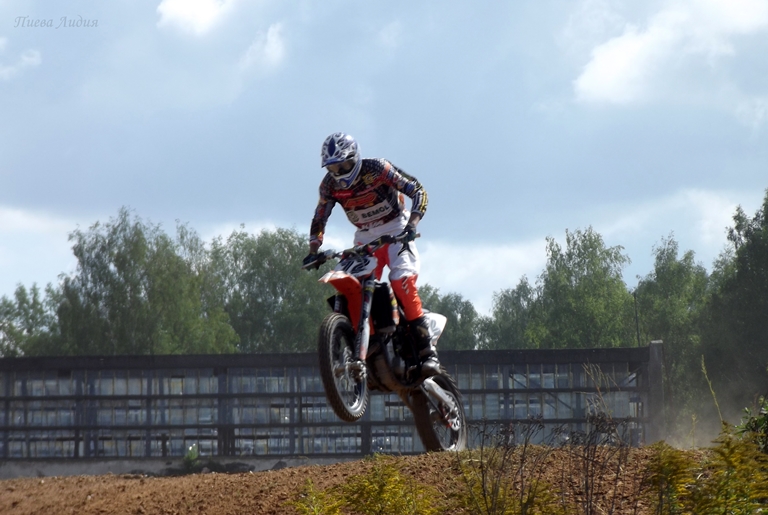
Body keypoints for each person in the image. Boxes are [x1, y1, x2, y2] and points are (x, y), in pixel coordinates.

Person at [303, 132, 440, 377]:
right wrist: (314, 249)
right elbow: (320, 214)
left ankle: (427, 350)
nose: (338, 172)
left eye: (343, 165)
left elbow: (417, 189)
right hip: (365, 236)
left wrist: (413, 224)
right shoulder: (329, 185)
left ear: (355, 158)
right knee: (352, 286)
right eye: (333, 167)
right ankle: (371, 339)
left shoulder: (377, 168)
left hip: (396, 227)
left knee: (401, 281)